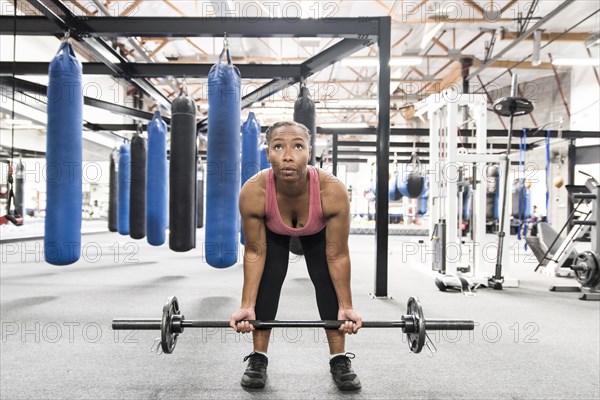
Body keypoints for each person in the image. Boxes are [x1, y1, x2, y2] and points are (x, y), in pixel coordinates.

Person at [229, 121, 363, 391]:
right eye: (279, 147)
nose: (288, 155)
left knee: (325, 278)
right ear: (268, 153)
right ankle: (258, 357)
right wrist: (247, 305)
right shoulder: (254, 191)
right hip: (274, 230)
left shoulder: (332, 190)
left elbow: (338, 255)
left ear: (309, 152)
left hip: (317, 229)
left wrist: (346, 306)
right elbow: (255, 251)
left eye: (297, 146)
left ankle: (339, 359)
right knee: (271, 274)